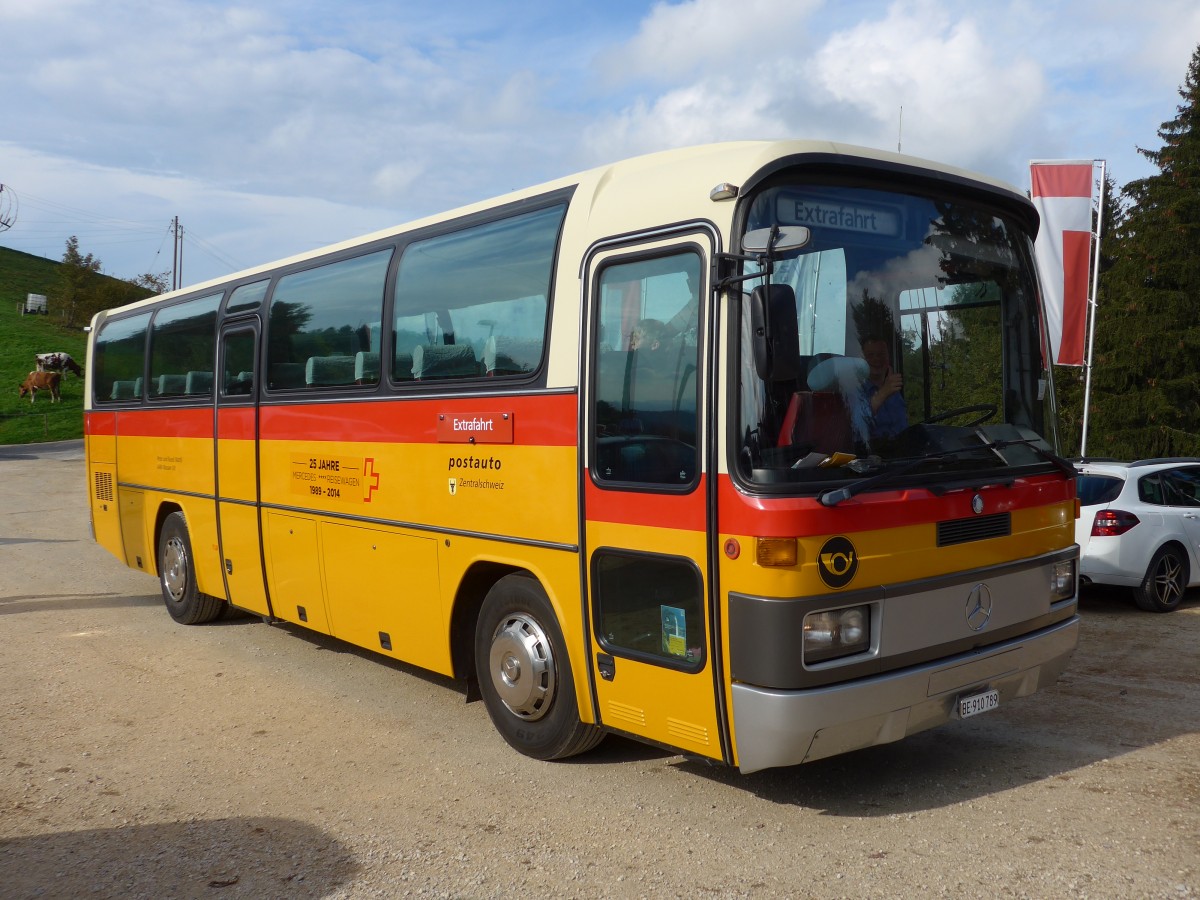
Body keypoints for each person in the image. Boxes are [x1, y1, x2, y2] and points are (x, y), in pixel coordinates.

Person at [859, 336, 906, 440]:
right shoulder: (854, 390)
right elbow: (855, 427)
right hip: (869, 454)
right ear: (861, 360)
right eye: (870, 355)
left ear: (888, 358)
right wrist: (883, 393)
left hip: (903, 453)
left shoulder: (895, 392)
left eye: (881, 354)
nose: (876, 359)